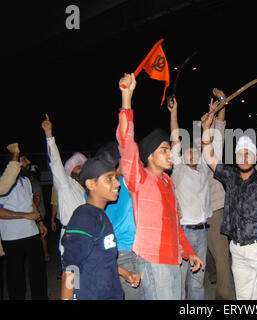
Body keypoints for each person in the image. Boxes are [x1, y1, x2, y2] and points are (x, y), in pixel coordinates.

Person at [116, 73, 204, 300]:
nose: (169, 154)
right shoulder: (140, 179)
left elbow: (176, 226)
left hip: (174, 259)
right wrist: (127, 99)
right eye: (163, 150)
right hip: (152, 260)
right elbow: (127, 143)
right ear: (150, 156)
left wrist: (190, 252)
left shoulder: (168, 183)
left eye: (168, 149)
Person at [201, 101, 257, 300]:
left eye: (248, 154)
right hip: (237, 250)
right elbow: (209, 157)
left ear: (254, 157)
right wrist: (205, 130)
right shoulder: (230, 176)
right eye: (240, 154)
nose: (244, 158)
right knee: (244, 297)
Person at [60, 153, 141, 300]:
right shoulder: (83, 218)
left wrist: (125, 273)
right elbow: (71, 268)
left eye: (115, 178)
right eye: (109, 179)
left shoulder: (100, 215)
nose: (117, 183)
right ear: (91, 184)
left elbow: (101, 260)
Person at [169, 95, 212, 300]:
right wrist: (174, 112)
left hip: (202, 231)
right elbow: (175, 137)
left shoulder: (204, 168)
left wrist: (207, 125)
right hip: (183, 231)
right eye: (188, 152)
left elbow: (207, 145)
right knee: (180, 278)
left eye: (195, 151)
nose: (193, 154)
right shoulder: (178, 169)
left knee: (198, 281)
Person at [95, 142, 143, 300]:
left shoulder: (118, 184)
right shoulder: (118, 185)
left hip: (132, 250)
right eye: (124, 159)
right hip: (123, 251)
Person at [0, 153, 48, 300]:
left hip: (32, 232)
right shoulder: (3, 183)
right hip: (12, 237)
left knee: (38, 271)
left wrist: (39, 221)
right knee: (16, 275)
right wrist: (25, 216)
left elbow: (30, 202)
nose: (28, 162)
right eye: (24, 160)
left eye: (27, 159)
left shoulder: (26, 180)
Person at [204, 88, 235, 300]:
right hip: (193, 215)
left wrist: (222, 102)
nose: (209, 120)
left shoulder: (214, 147)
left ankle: (223, 298)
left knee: (221, 257)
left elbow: (221, 125)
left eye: (210, 119)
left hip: (214, 210)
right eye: (205, 119)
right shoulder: (193, 151)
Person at [42, 114, 88, 255]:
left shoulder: (85, 188)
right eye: (78, 167)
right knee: (72, 276)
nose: (82, 170)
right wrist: (49, 136)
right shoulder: (65, 184)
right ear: (70, 168)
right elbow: (55, 162)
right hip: (71, 238)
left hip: (87, 236)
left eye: (83, 167)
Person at [29, 166, 50, 262]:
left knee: (41, 235)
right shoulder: (34, 183)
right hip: (38, 212)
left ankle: (45, 255)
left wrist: (34, 211)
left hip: (38, 213)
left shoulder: (35, 184)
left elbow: (37, 200)